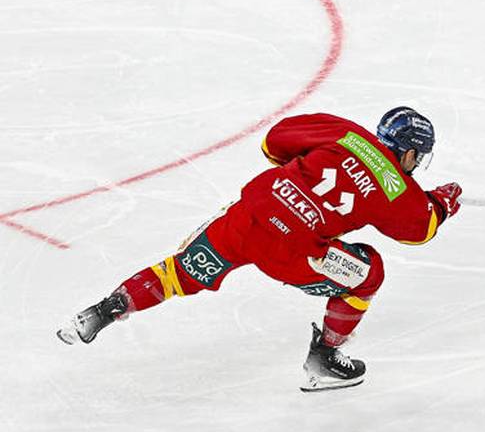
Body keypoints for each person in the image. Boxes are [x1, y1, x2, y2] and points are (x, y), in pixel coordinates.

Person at [57, 107, 463, 391]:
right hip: (298, 253)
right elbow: (419, 229)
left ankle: (105, 308)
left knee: (180, 272)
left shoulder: (345, 133)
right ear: (409, 153)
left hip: (249, 215)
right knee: (368, 274)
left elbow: (274, 144)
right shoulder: (398, 186)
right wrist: (442, 201)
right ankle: (324, 358)